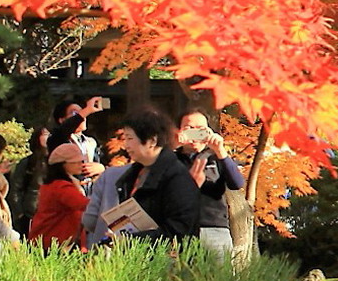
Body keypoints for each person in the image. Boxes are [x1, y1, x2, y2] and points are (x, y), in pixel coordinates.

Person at [115, 109, 202, 241]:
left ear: (152, 141)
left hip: (166, 258)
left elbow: (179, 230)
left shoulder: (176, 177)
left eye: (130, 138)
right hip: (138, 254)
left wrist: (132, 239)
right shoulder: (134, 173)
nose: (126, 145)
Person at [177, 111, 245, 261]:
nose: (194, 134)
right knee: (181, 280)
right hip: (181, 229)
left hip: (215, 228)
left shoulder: (216, 157)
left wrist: (220, 150)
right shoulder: (171, 159)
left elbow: (237, 183)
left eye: (200, 129)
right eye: (189, 128)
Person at [29, 143, 90, 251]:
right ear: (63, 164)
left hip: (45, 240)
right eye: (77, 162)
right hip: (54, 243)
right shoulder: (61, 187)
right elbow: (86, 205)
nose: (82, 164)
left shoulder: (52, 185)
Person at [81, 133, 132, 250]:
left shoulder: (109, 176)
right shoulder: (163, 173)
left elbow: (89, 220)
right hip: (142, 251)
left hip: (103, 247)